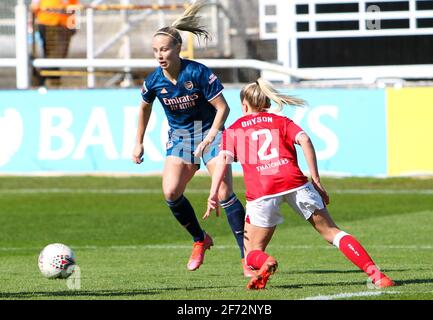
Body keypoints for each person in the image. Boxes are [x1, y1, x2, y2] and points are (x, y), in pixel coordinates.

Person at [204, 78, 395, 290]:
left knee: (251, 254)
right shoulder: (281, 121)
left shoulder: (234, 130)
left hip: (263, 190)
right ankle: (377, 276)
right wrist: (317, 180)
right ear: (266, 102)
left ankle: (265, 263)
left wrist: (213, 193)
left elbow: (223, 160)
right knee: (333, 232)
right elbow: (304, 140)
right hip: (294, 181)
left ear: (244, 105)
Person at [132, 0, 251, 276]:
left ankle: (248, 257)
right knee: (171, 193)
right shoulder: (153, 81)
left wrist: (212, 136)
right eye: (155, 51)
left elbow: (224, 107)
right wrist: (138, 141)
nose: (159, 55)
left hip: (211, 130)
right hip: (181, 136)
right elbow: (144, 106)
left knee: (223, 193)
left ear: (177, 48)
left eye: (164, 49)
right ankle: (200, 239)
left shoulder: (197, 72)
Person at [30, 0, 79, 87]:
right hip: (46, 23)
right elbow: (34, 6)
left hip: (64, 25)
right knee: (51, 55)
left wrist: (73, 25)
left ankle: (44, 78)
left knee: (58, 55)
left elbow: (74, 6)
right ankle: (48, 81)